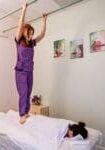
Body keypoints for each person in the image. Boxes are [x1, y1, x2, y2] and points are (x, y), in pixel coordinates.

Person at [14, 1, 48, 124]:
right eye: (29, 33)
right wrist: (24, 10)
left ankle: (26, 112)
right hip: (21, 72)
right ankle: (22, 114)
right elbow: (20, 25)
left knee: (28, 93)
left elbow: (42, 35)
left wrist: (44, 21)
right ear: (24, 32)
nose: (31, 35)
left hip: (30, 71)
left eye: (32, 34)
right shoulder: (19, 41)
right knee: (23, 93)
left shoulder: (32, 43)